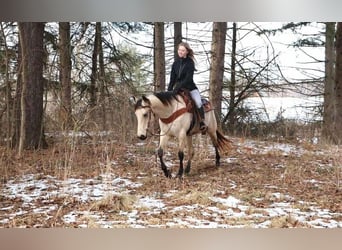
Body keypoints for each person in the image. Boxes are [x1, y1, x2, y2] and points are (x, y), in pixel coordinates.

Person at [167, 42, 207, 133]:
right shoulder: (175, 64)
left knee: (198, 102)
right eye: (179, 50)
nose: (180, 52)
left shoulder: (190, 63)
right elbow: (172, 79)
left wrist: (177, 87)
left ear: (187, 52)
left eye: (183, 50)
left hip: (190, 88)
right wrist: (169, 91)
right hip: (178, 89)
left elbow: (188, 79)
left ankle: (202, 123)